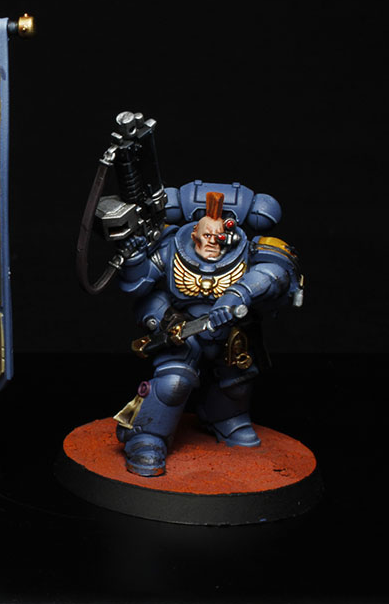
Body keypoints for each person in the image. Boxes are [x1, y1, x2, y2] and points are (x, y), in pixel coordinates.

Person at [115, 189, 303, 476]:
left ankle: (224, 419)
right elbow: (138, 285)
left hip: (229, 330)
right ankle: (146, 436)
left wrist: (239, 294)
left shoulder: (247, 250)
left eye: (220, 237)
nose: (213, 243)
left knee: (236, 381)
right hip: (183, 330)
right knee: (174, 383)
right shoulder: (171, 247)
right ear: (194, 233)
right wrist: (134, 260)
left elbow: (275, 275)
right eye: (206, 236)